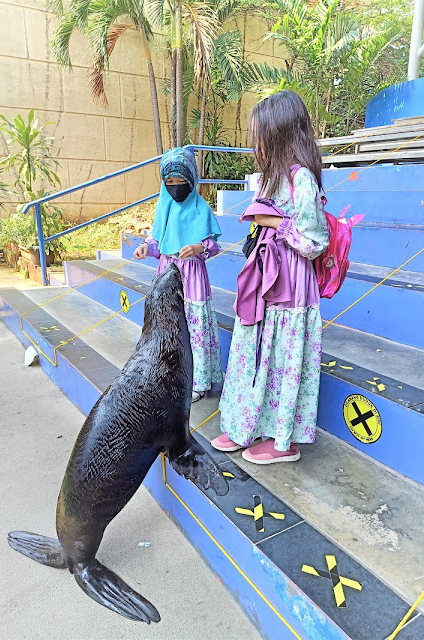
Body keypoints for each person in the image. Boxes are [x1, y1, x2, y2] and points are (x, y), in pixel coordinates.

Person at [211, 90, 329, 464]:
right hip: (264, 280)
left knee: (282, 358)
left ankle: (283, 442)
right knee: (253, 351)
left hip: (290, 286)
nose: (256, 143)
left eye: (262, 135)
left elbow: (314, 241)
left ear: (281, 134)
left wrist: (276, 221)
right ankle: (245, 426)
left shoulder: (301, 179)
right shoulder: (269, 178)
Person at [134, 147, 223, 402]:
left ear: (191, 180)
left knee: (194, 328)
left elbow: (214, 244)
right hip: (167, 273)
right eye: (169, 182)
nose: (175, 187)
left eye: (180, 181)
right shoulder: (164, 206)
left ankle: (198, 381)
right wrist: (145, 247)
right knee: (169, 326)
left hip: (192, 277)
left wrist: (198, 248)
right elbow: (157, 241)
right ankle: (171, 375)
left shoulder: (201, 208)